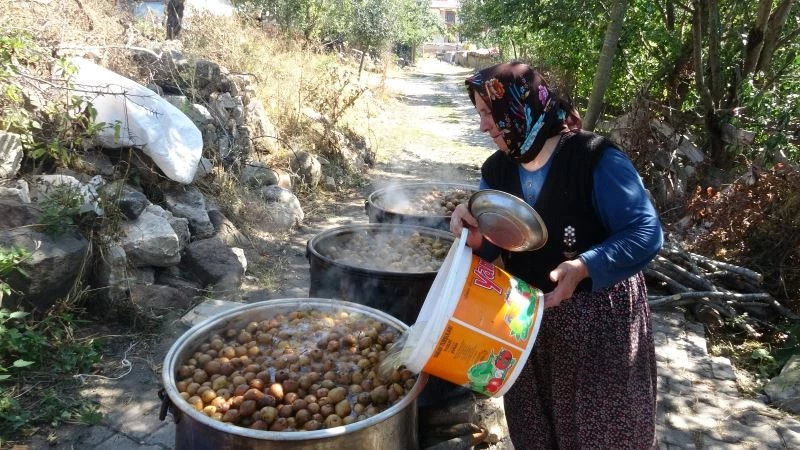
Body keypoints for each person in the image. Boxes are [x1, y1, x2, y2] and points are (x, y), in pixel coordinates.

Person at [450, 61, 663, 449]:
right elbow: (496, 243)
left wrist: (584, 266)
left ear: (517, 105)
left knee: (602, 435)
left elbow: (646, 232)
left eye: (488, 113)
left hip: (600, 329)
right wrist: (472, 233)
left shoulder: (593, 158)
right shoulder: (497, 170)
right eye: (479, 114)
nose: (483, 126)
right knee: (537, 433)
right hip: (527, 324)